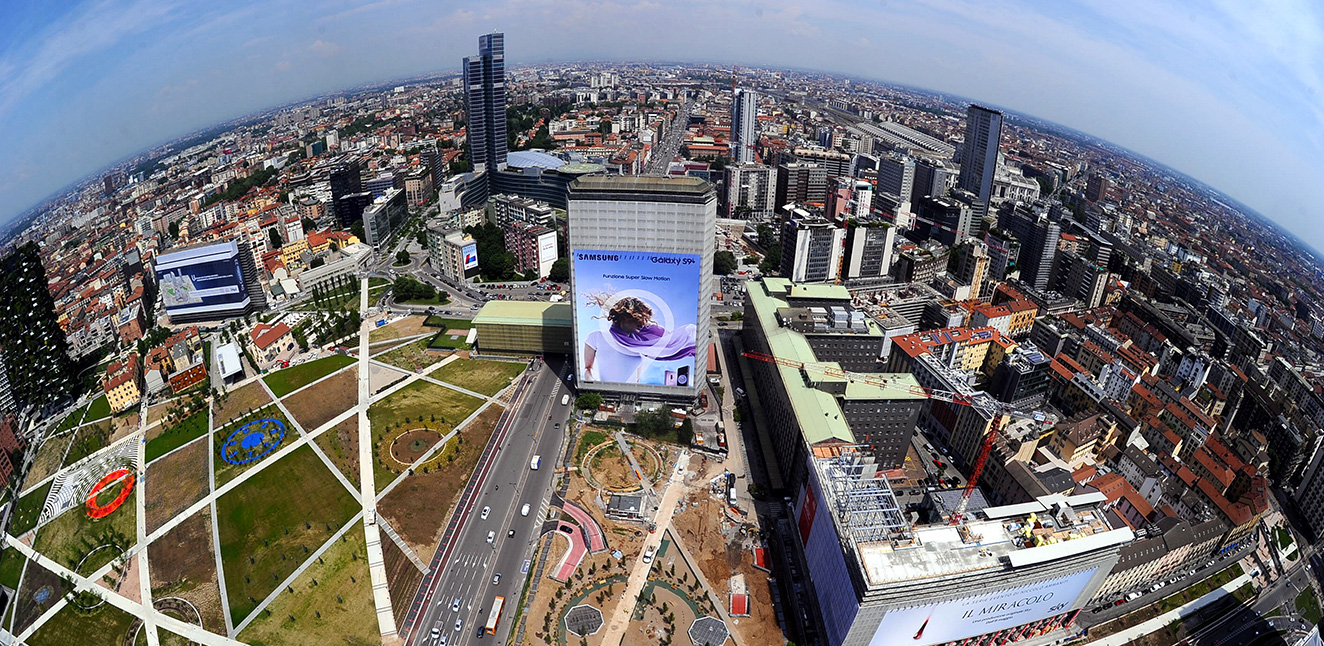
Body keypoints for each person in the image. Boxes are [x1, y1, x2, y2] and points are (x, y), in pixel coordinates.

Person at [581, 294, 695, 383]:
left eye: (645, 319)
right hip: (604, 392)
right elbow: (588, 368)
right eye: (639, 318)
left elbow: (637, 380)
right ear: (625, 317)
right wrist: (592, 383)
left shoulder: (640, 345)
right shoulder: (596, 337)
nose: (643, 323)